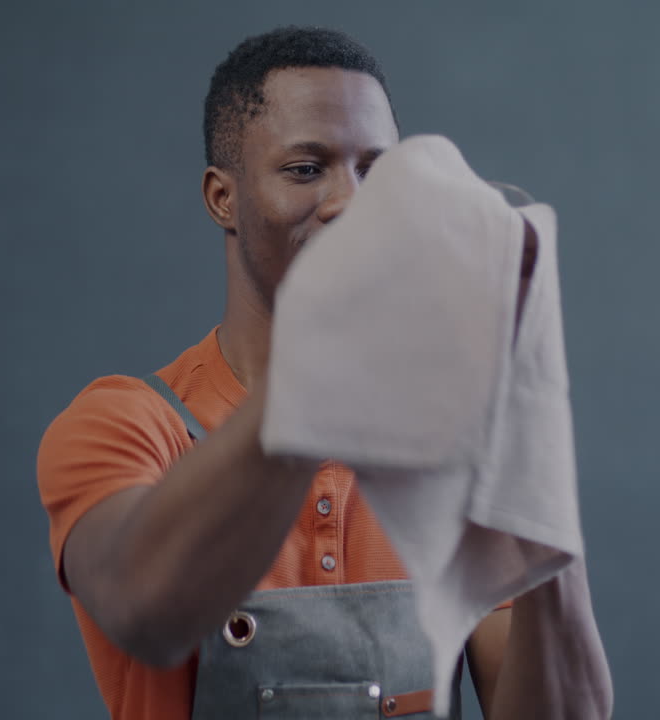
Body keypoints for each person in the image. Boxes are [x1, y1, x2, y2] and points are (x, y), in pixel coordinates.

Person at [37, 25, 612, 720]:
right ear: (223, 198)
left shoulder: (449, 440)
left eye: (379, 172)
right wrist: (334, 349)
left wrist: (529, 432)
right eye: (306, 168)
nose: (351, 200)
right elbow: (147, 611)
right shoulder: (127, 423)